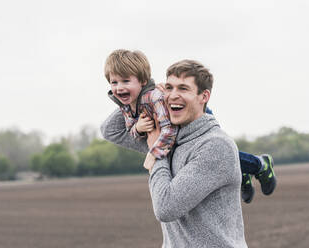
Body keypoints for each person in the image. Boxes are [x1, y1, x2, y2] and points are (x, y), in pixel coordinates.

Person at [102, 59, 248, 247]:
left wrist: (157, 151)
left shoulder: (215, 145)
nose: (172, 96)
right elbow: (110, 130)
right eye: (169, 87)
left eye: (183, 89)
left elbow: (166, 207)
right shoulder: (167, 135)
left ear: (204, 97)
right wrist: (142, 91)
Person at [103, 49, 276, 203]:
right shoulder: (127, 105)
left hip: (190, 118)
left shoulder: (153, 97)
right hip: (169, 132)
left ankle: (259, 165)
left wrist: (154, 153)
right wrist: (137, 123)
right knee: (191, 153)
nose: (118, 88)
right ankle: (243, 173)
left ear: (142, 80)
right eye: (114, 83)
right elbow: (115, 129)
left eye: (125, 81)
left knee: (211, 152)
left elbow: (169, 129)